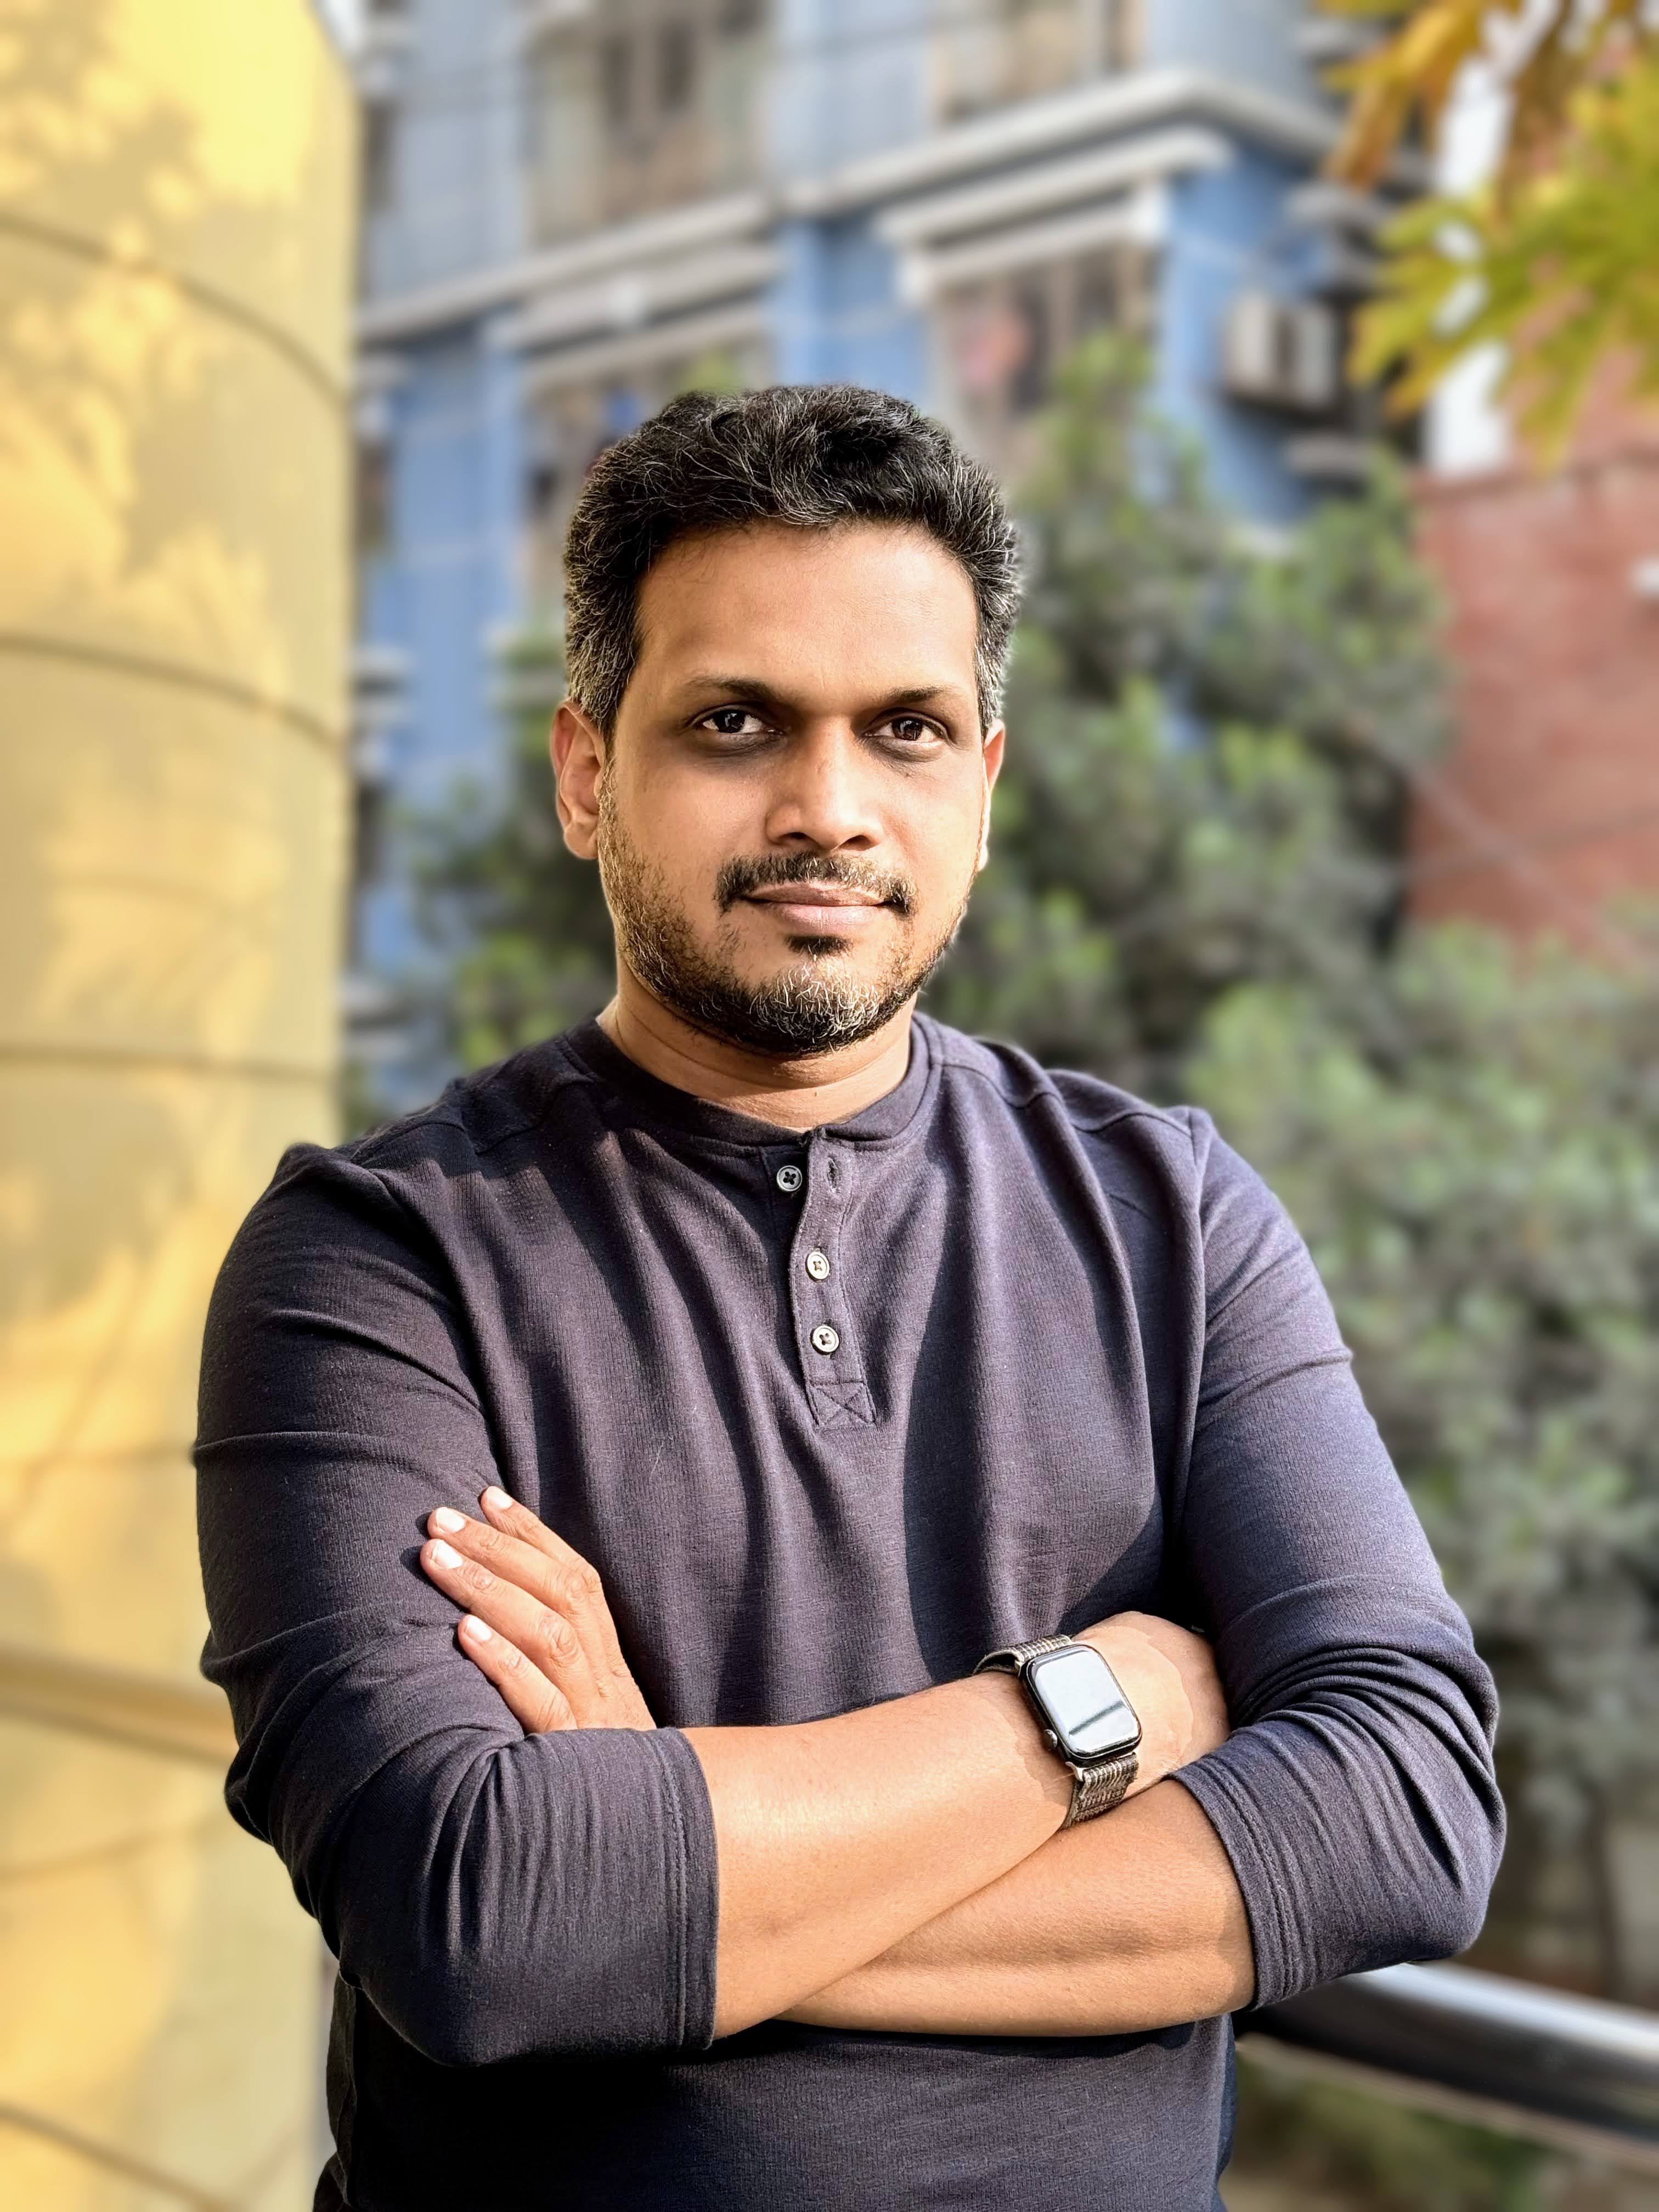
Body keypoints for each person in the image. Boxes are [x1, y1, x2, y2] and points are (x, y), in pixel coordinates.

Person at [195, 385, 1503, 2212]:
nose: (828, 806)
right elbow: (477, 1919)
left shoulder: (1172, 1215)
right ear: (589, 773)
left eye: (905, 729)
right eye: (736, 722)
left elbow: (1409, 1814)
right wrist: (1089, 1711)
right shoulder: (380, 1258)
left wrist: (673, 1860)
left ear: (984, 780)